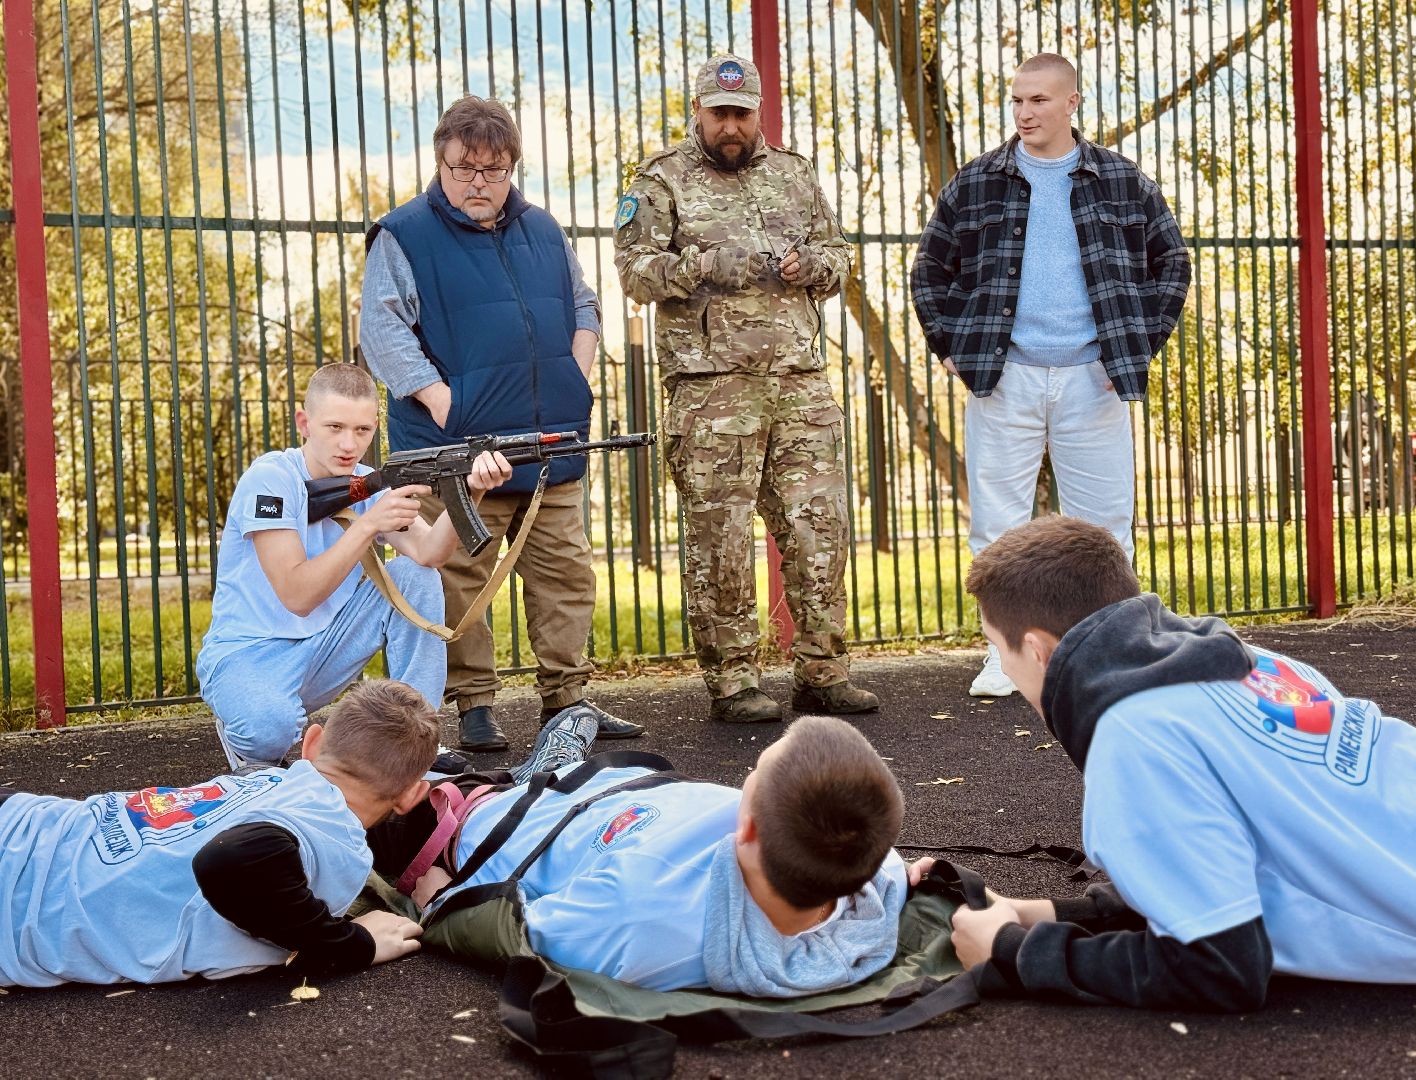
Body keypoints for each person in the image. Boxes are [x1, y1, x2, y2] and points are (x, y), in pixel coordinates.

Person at [921, 514, 1416, 1010]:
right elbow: (1236, 875)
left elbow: (1220, 967)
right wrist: (1038, 916)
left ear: (1037, 651)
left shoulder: (1136, 738)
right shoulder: (1249, 662)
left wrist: (1013, 954)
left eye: (995, 648)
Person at [360, 95, 643, 754]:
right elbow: (382, 330)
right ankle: (475, 708)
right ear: (441, 161)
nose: (479, 183)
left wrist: (575, 377)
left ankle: (566, 701)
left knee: (566, 577)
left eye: (494, 169)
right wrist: (443, 403)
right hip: (455, 449)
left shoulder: (542, 229)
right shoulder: (403, 234)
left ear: (512, 165)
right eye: (464, 169)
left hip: (551, 448)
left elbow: (583, 304)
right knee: (459, 578)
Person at [910, 52, 1191, 698]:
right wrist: (949, 345)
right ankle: (1004, 657)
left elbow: (1171, 262)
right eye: (1016, 100)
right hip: (1004, 378)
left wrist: (1136, 345)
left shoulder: (1123, 181)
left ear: (1072, 103)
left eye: (1038, 100)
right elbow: (930, 271)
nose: (1024, 112)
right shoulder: (977, 182)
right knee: (998, 527)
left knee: (1104, 527)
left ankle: (1106, 653)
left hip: (1094, 379)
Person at [614, 54, 878, 724]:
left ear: (757, 111)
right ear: (697, 111)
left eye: (741, 113)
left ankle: (823, 671)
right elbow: (634, 272)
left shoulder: (793, 174)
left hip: (799, 380)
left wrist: (814, 263)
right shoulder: (660, 178)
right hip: (712, 389)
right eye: (718, 113)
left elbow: (838, 253)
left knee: (820, 528)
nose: (730, 126)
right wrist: (703, 264)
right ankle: (733, 681)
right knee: (720, 539)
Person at [371, 714, 909, 995]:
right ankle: (547, 760)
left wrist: (443, 900)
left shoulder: (637, 914)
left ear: (745, 828)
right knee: (524, 773)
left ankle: (507, 765)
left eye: (751, 776)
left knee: (379, 768)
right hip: (595, 790)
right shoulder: (864, 867)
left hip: (477, 825)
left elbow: (514, 930)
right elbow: (887, 865)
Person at [0, 679, 439, 988]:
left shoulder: (271, 782)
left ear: (312, 742)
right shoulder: (330, 829)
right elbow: (234, 858)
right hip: (20, 913)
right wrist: (350, 945)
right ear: (409, 796)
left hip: (28, 823)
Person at [196, 363, 512, 773]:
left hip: (325, 648)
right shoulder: (270, 479)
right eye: (334, 427)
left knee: (416, 576)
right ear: (304, 423)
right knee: (267, 733)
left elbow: (430, 552)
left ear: (375, 427)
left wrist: (473, 490)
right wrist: (367, 526)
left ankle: (419, 738)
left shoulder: (366, 482)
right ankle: (250, 723)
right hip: (249, 654)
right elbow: (297, 595)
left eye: (362, 431)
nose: (349, 444)